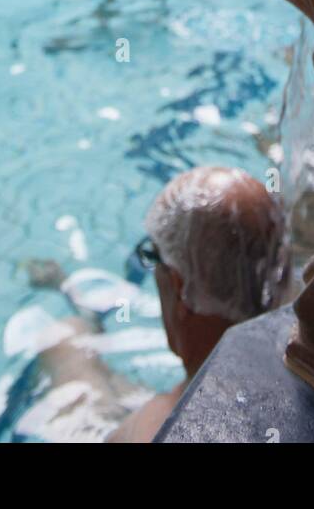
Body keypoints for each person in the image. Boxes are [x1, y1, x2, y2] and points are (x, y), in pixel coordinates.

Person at [33, 167, 288, 443]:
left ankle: (78, 306)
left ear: (179, 287)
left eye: (152, 254)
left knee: (64, 342)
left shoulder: (154, 428)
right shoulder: (308, 367)